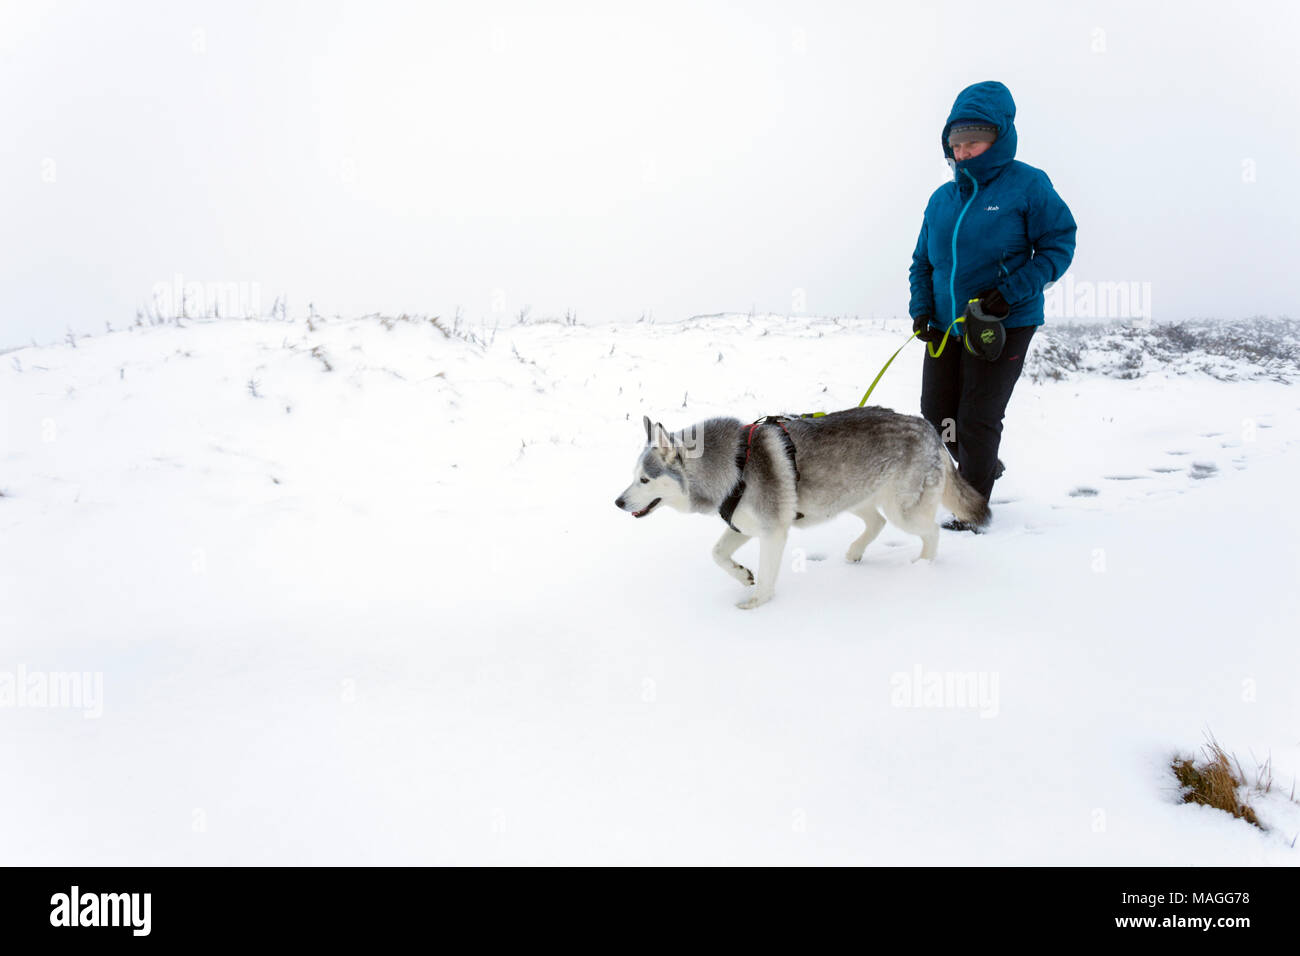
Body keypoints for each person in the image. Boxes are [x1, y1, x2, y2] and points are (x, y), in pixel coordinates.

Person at [908, 80, 1077, 531]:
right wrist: (922, 310)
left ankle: (972, 507)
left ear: (998, 137)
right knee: (937, 413)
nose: (962, 152)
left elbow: (1059, 244)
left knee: (978, 416)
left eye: (972, 141)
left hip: (1004, 322)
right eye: (955, 144)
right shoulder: (942, 199)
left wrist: (1011, 291)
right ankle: (983, 465)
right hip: (946, 325)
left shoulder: (1028, 185)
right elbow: (922, 261)